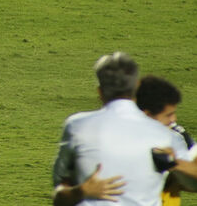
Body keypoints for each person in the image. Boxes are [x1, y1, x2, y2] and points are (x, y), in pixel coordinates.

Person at [52, 52, 195, 206]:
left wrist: (82, 191)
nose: (173, 120)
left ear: (100, 92)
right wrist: (175, 163)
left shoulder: (77, 126)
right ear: (135, 89)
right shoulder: (165, 136)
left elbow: (59, 196)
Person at [136, 76, 196, 206]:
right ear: (146, 114)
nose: (173, 119)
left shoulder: (175, 136)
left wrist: (172, 163)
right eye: (168, 115)